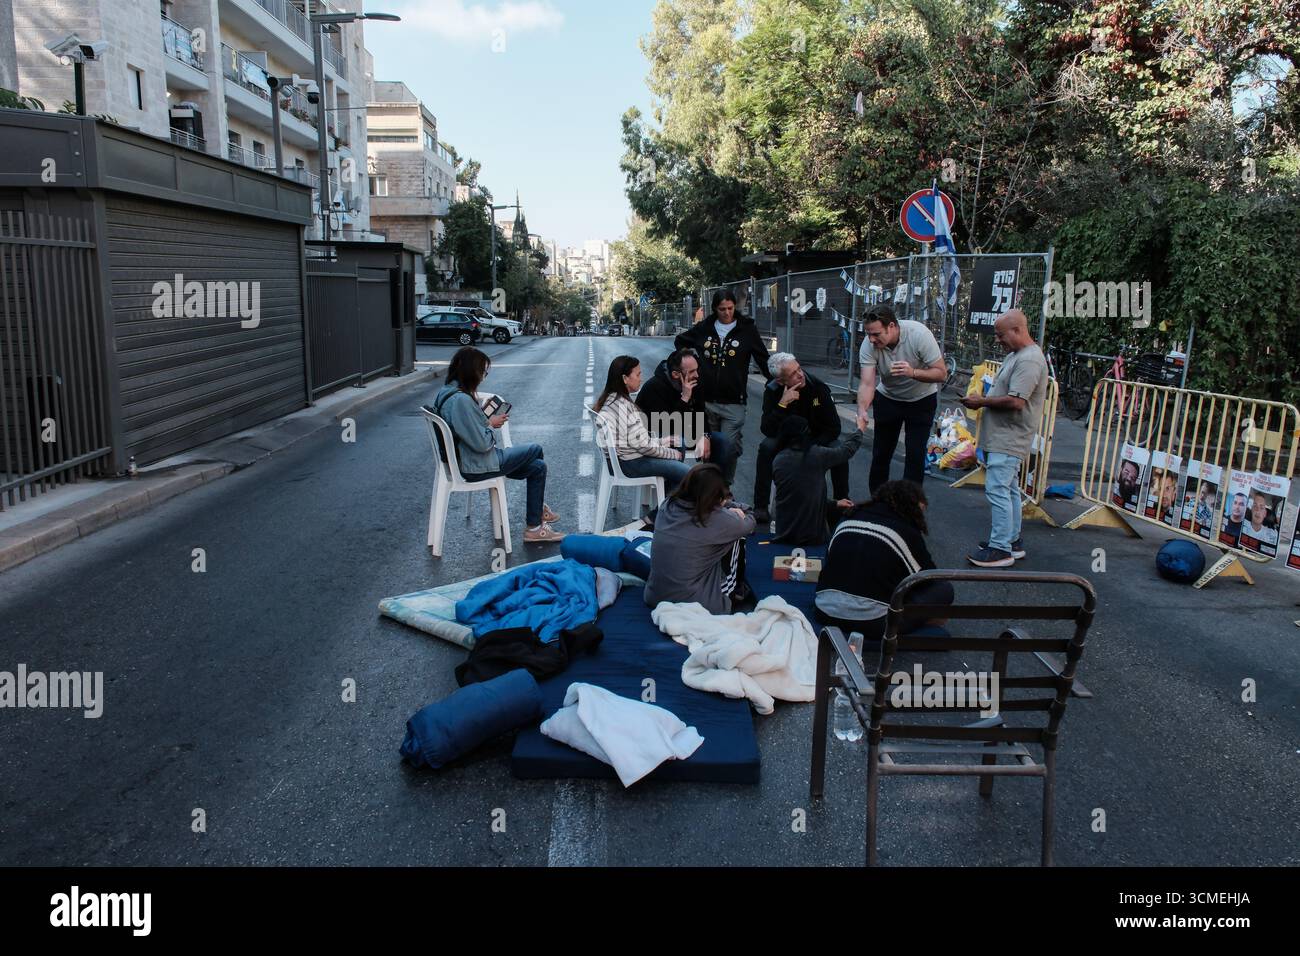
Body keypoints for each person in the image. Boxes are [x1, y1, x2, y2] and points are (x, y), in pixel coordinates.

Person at [432, 346, 564, 544]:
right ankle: (537, 517)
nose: (483, 377)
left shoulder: (447, 392)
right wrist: (490, 424)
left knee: (538, 467)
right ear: (470, 371)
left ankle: (535, 525)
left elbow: (466, 429)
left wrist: (482, 419)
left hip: (467, 460)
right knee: (535, 449)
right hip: (476, 464)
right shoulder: (461, 401)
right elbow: (482, 444)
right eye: (482, 372)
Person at [960, 309, 1049, 567]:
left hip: (1010, 437)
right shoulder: (1018, 355)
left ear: (1018, 330)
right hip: (1004, 436)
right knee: (1008, 490)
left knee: (998, 490)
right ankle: (1011, 540)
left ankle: (1001, 549)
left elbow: (1016, 401)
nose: (997, 340)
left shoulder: (1029, 360)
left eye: (1000, 335)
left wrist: (981, 402)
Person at [814, 480, 954, 642]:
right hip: (873, 623)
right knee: (944, 589)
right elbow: (928, 578)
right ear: (912, 508)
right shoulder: (905, 530)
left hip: (824, 611)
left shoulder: (848, 517)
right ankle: (924, 619)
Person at [674, 290, 773, 484]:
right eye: (722, 309)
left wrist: (776, 381)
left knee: (728, 446)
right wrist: (693, 364)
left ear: (735, 307)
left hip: (734, 401)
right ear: (715, 309)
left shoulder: (747, 330)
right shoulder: (705, 327)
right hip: (706, 399)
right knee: (708, 447)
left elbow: (763, 359)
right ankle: (709, 490)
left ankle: (724, 489)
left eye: (730, 308)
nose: (727, 313)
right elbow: (680, 341)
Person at [856, 304, 948, 491]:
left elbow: (941, 374)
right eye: (868, 334)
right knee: (881, 453)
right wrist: (862, 410)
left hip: (921, 399)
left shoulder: (919, 335)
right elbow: (867, 383)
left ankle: (909, 508)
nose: (871, 339)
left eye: (876, 334)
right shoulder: (869, 344)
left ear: (891, 326)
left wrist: (912, 372)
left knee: (915, 455)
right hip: (889, 397)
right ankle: (877, 503)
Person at [644, 463, 757, 615]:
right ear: (715, 497)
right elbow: (750, 519)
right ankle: (735, 592)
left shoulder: (666, 505)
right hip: (698, 605)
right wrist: (732, 509)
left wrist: (723, 505)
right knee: (738, 536)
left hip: (654, 597)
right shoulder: (719, 519)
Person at [755, 353, 848, 524]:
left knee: (838, 448)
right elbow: (767, 429)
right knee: (766, 447)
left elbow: (834, 428)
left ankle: (842, 502)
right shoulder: (773, 390)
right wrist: (782, 404)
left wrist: (811, 448)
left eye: (799, 369)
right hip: (786, 440)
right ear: (781, 381)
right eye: (793, 374)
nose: (800, 375)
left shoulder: (817, 387)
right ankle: (760, 506)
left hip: (816, 439)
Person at [592, 355, 692, 495]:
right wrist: (671, 454)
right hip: (631, 463)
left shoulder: (613, 398)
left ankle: (668, 502)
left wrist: (661, 441)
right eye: (638, 374)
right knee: (690, 475)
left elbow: (638, 440)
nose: (641, 378)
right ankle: (661, 512)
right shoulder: (623, 405)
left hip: (628, 457)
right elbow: (643, 446)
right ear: (625, 378)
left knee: (677, 442)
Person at [771, 413, 867, 546]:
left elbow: (797, 498)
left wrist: (835, 504)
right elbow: (846, 451)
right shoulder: (817, 455)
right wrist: (860, 429)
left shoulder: (778, 460)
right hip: (813, 537)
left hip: (783, 534)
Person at [633, 347, 732, 475]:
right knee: (678, 441)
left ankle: (715, 488)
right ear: (675, 374)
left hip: (685, 433)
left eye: (697, 370)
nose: (697, 375)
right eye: (692, 371)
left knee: (722, 441)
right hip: (656, 438)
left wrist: (705, 435)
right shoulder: (654, 387)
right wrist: (684, 398)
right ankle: (673, 490)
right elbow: (665, 427)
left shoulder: (694, 382)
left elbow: (701, 414)